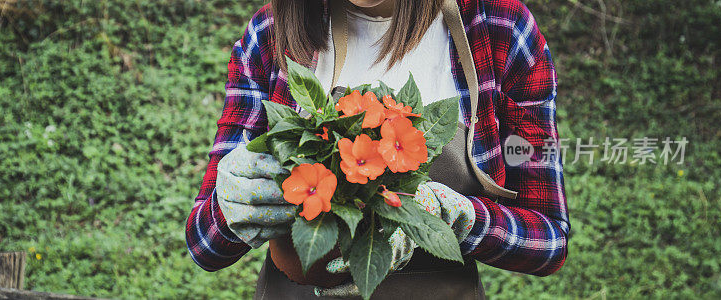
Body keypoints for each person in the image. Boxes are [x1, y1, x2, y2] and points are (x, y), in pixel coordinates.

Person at [185, 0, 568, 298]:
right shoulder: (270, 34)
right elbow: (203, 245)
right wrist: (230, 204)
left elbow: (549, 239)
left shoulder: (501, 29)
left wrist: (454, 216)